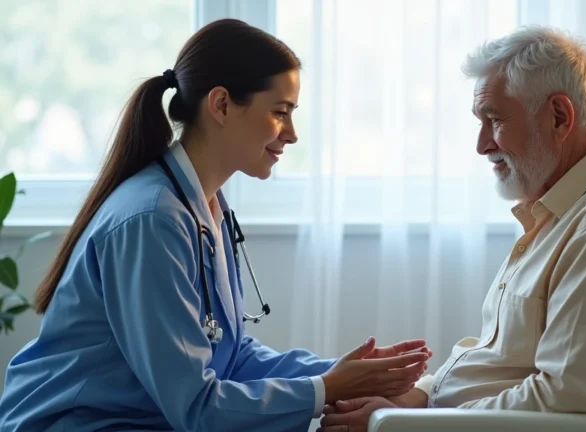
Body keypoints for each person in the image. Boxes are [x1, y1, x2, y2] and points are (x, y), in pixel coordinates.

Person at [0, 19, 432, 432]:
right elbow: (198, 407)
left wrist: (342, 373)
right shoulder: (152, 220)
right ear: (222, 104)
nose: (292, 134)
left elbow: (230, 357)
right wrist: (328, 389)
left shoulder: (203, 206)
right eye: (281, 112)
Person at [318, 26, 586, 431]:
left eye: (494, 120)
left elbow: (567, 402)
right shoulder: (560, 213)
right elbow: (500, 362)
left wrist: (408, 420)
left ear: (559, 116)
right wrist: (416, 397)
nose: (481, 145)